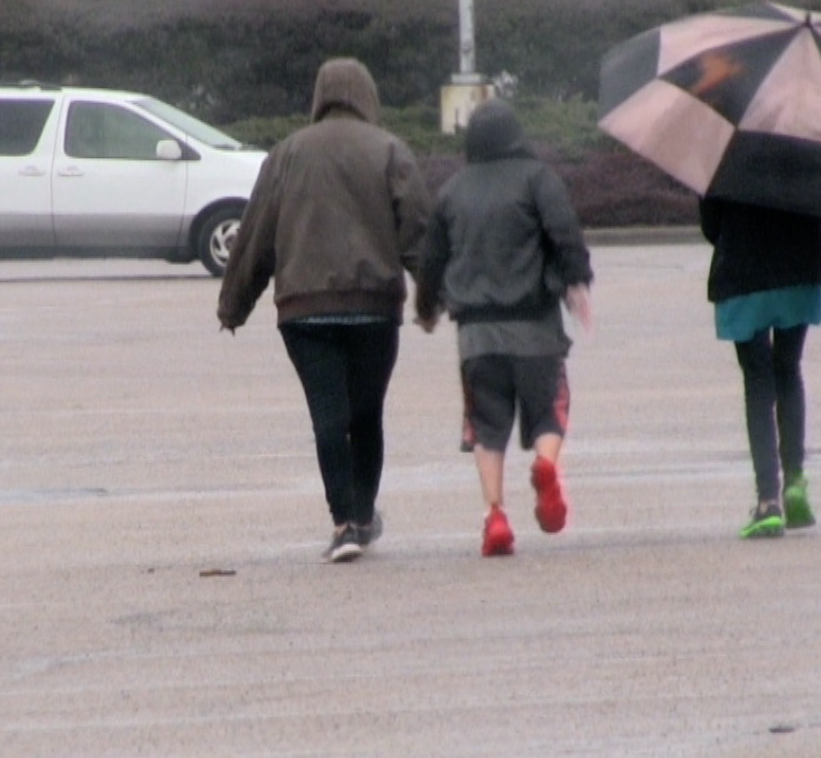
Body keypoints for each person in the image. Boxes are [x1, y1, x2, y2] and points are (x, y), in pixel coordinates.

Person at [217, 58, 432, 564]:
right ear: (368, 95)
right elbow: (419, 230)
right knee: (367, 415)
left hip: (304, 311)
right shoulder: (389, 151)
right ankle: (361, 514)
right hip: (374, 308)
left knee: (327, 417)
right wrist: (434, 295)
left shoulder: (286, 154)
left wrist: (234, 304)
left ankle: (343, 526)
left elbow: (255, 236)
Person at [414, 100, 593, 558]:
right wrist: (577, 282)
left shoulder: (452, 190)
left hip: (476, 335)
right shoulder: (538, 178)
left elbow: (432, 257)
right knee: (551, 411)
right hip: (535, 326)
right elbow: (564, 231)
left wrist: (427, 306)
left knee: (486, 425)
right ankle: (546, 465)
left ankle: (495, 516)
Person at [698, 196, 821, 539]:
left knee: (758, 383)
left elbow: (712, 225)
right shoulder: (806, 150)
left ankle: (767, 500)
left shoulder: (726, 155)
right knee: (789, 370)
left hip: (743, 272)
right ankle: (795, 480)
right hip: (798, 269)